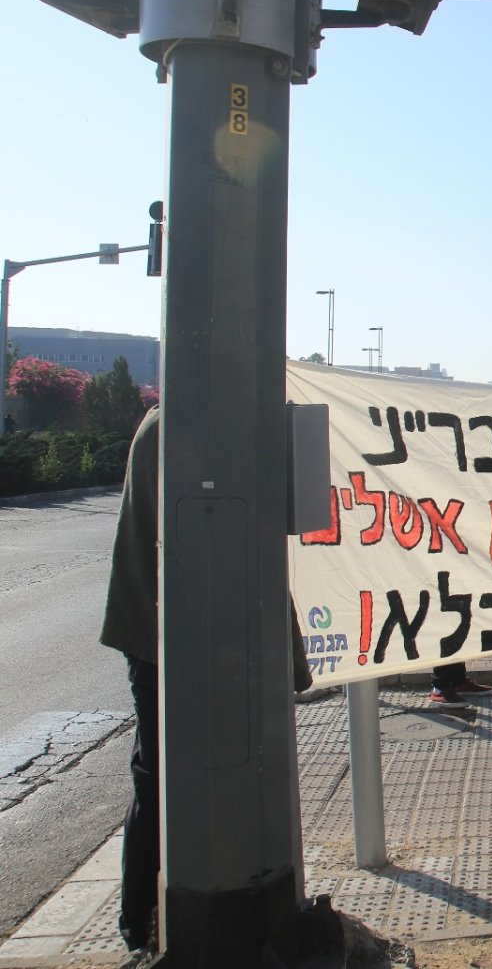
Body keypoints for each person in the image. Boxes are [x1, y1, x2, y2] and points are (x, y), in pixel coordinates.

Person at [100, 406, 312, 954]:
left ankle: (141, 916)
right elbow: (238, 536)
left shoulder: (167, 423)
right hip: (183, 638)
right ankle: (145, 914)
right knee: (163, 778)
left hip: (161, 634)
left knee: (157, 775)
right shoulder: (197, 425)